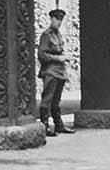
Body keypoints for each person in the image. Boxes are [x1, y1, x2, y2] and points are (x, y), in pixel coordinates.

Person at [37, 8, 75, 137]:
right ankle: (45, 126)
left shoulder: (58, 34)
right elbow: (42, 54)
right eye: (57, 19)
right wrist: (58, 58)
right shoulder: (46, 35)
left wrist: (65, 56)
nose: (59, 22)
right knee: (47, 99)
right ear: (51, 19)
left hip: (60, 71)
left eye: (61, 20)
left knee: (56, 100)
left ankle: (59, 125)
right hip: (50, 71)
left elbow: (58, 50)